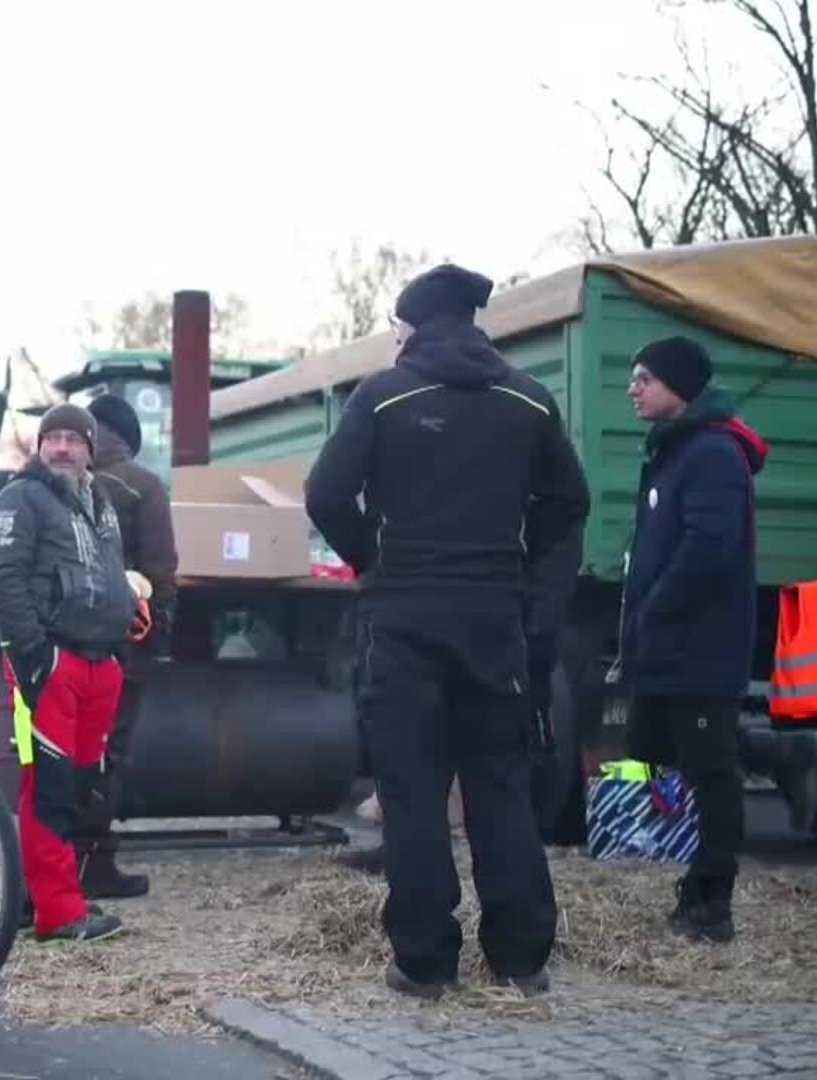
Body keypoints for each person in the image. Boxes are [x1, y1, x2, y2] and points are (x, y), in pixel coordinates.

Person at [304, 263, 591, 999]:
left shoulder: (386, 395)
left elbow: (325, 493)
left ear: (413, 325)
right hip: (498, 619)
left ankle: (426, 962)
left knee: (412, 791)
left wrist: (373, 558)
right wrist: (537, 605)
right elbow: (568, 510)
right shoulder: (529, 401)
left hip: (406, 618)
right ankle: (522, 959)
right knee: (500, 784)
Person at [618, 336, 769, 944]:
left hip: (701, 647)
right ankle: (696, 880)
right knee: (663, 752)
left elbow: (708, 549)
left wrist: (657, 610)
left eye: (645, 378)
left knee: (712, 772)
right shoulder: (673, 450)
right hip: (670, 647)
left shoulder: (712, 454)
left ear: (679, 387)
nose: (633, 388)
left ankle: (713, 900)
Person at [0, 403, 138, 942]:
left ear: (92, 450)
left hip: (99, 663)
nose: (63, 447)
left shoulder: (101, 501)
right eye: (54, 438)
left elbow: (107, 570)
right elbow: (1, 577)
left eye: (74, 438)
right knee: (47, 784)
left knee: (78, 784)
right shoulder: (19, 501)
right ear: (40, 446)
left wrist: (125, 612)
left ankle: (39, 895)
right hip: (51, 664)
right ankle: (59, 913)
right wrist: (35, 655)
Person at [74, 394, 178, 900]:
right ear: (127, 438)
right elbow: (159, 572)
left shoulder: (48, 478)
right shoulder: (142, 485)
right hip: (118, 646)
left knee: (55, 752)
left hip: (56, 644)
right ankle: (93, 864)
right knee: (105, 753)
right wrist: (158, 639)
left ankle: (49, 867)